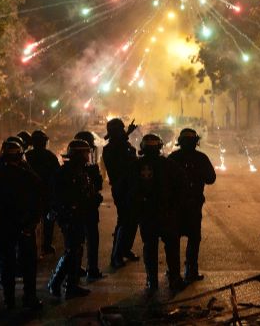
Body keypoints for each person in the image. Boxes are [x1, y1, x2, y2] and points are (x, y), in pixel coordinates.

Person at [119, 134, 187, 293]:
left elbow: (123, 188)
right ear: (159, 147)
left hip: (146, 215)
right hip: (167, 214)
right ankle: (174, 280)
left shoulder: (134, 166)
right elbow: (182, 185)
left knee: (149, 248)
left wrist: (134, 207)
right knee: (171, 247)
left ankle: (152, 282)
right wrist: (175, 207)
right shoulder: (169, 165)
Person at [0, 140, 43, 310]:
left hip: (3, 225)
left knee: (6, 262)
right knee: (29, 264)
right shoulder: (27, 175)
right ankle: (29, 298)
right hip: (24, 226)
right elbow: (39, 196)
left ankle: (9, 299)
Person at [168, 128, 216, 283]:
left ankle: (174, 274)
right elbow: (211, 178)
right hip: (193, 205)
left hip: (175, 206)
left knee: (173, 240)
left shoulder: (173, 158)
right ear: (196, 142)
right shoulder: (201, 158)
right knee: (194, 238)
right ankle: (191, 271)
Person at [47, 140, 92, 299]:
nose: (88, 156)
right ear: (79, 155)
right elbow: (62, 197)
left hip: (78, 216)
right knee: (72, 251)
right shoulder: (65, 173)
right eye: (86, 153)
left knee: (76, 250)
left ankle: (72, 285)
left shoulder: (79, 171)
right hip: (69, 217)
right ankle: (56, 282)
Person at [101, 118, 140, 268]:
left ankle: (125, 250)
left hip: (131, 187)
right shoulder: (111, 149)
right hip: (121, 188)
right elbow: (121, 160)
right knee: (124, 221)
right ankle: (116, 256)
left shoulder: (123, 145)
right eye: (121, 130)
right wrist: (126, 135)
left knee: (133, 220)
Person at [25, 130, 61, 255]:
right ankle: (46, 245)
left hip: (31, 194)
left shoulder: (27, 156)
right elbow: (57, 176)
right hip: (46, 193)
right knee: (48, 220)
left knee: (31, 221)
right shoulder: (50, 156)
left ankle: (32, 246)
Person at [74, 131, 104, 280]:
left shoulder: (70, 169)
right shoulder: (81, 170)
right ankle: (89, 269)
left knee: (79, 241)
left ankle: (79, 268)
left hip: (81, 211)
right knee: (89, 240)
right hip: (84, 210)